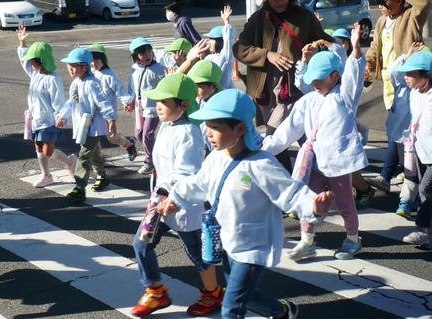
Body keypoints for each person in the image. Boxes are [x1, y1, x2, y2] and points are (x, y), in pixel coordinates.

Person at [160, 89, 334, 319]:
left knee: (232, 307)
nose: (208, 133)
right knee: (246, 295)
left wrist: (313, 207)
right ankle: (282, 311)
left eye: (216, 127)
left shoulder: (261, 164)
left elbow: (290, 192)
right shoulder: (216, 158)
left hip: (253, 246)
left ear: (240, 129)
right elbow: (197, 183)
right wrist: (175, 198)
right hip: (228, 241)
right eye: (207, 126)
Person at [263, 25, 367, 261]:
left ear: (335, 76)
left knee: (344, 203)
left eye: (320, 79)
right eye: (312, 79)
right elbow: (287, 131)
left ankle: (353, 239)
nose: (315, 83)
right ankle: (307, 241)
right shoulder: (308, 101)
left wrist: (357, 51)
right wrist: (265, 148)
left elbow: (354, 79)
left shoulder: (344, 97)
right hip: (312, 162)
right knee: (308, 202)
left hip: (337, 162)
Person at [130, 73, 224, 317]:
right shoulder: (168, 123)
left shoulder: (188, 133)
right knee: (142, 242)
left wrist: (174, 198)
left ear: (183, 105)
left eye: (164, 101)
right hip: (160, 200)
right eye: (157, 100)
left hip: (183, 204)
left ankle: (213, 294)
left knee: (196, 253)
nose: (157, 106)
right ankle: (156, 291)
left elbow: (188, 173)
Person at [233, 0, 332, 173]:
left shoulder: (304, 17)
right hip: (264, 87)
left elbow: (325, 43)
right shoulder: (257, 19)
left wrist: (315, 50)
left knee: (273, 138)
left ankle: (290, 182)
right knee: (291, 140)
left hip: (293, 86)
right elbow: (240, 48)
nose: (279, 0)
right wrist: (267, 55)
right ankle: (298, 177)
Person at [366, 0, 431, 194]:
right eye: (380, 3)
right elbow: (375, 47)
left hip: (409, 80)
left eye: (386, 3)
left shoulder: (410, 17)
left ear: (400, 0)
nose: (382, 8)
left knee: (401, 129)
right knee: (399, 129)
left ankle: (389, 174)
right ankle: (404, 172)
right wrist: (369, 64)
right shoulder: (382, 22)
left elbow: (423, 4)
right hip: (389, 81)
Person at [17, 26, 76, 188]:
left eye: (33, 60)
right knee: (38, 148)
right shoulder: (35, 73)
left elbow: (58, 100)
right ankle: (47, 175)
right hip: (36, 118)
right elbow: (24, 63)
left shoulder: (52, 78)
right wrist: (23, 44)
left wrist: (61, 116)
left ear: (41, 61)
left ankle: (70, 161)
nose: (30, 63)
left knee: (48, 151)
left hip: (50, 119)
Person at [57, 48, 116, 201]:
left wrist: (111, 120)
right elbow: (72, 102)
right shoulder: (76, 83)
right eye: (69, 65)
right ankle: (102, 176)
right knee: (94, 153)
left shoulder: (92, 83)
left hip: (93, 126)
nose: (70, 68)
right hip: (82, 125)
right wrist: (62, 116)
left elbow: (103, 102)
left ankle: (80, 187)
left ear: (85, 67)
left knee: (84, 155)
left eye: (74, 66)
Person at [397, 51, 432, 246]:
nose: (406, 77)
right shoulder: (413, 93)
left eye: (410, 74)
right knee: (424, 191)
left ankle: (422, 229)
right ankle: (427, 233)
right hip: (420, 149)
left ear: (425, 75)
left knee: (426, 189)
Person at [124, 38, 167, 175]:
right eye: (143, 53)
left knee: (148, 134)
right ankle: (156, 155)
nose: (148, 55)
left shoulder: (159, 69)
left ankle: (150, 161)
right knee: (138, 134)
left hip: (154, 108)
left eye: (149, 51)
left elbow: (167, 86)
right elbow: (132, 87)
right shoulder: (134, 69)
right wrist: (130, 102)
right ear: (135, 56)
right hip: (139, 107)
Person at [87, 44, 137, 161]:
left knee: (112, 138)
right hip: (94, 112)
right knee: (95, 137)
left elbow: (120, 90)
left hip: (109, 113)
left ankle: (128, 144)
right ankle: (98, 160)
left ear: (103, 59)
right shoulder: (91, 73)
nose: (94, 64)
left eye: (97, 61)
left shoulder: (110, 75)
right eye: (92, 62)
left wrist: (126, 102)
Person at [201, 5, 236, 89]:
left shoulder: (226, 56)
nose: (209, 42)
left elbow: (228, 40)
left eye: (212, 39)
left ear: (221, 42)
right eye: (209, 39)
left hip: (224, 93)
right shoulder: (208, 57)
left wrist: (226, 21)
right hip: (211, 94)